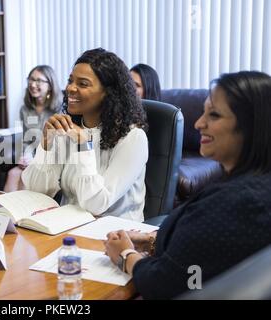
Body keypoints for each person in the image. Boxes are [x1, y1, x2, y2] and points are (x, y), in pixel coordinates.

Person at [104, 71, 271, 299]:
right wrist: (154, 241)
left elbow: (168, 283)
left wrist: (124, 255)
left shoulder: (238, 204)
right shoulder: (251, 188)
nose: (199, 123)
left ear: (251, 126)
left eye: (214, 115)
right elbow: (215, 249)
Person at [22, 48, 148, 221]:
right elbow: (36, 191)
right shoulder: (67, 128)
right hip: (68, 228)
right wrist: (46, 144)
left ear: (108, 93)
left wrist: (83, 145)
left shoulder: (133, 138)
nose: (70, 88)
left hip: (117, 235)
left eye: (82, 84)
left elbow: (97, 204)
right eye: (70, 81)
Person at [3, 65, 62, 192]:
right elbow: (26, 140)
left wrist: (36, 159)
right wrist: (26, 156)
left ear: (50, 85)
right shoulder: (25, 110)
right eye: (31, 79)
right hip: (33, 159)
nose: (33, 84)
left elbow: (60, 145)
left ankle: (25, 211)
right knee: (13, 174)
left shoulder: (60, 110)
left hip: (52, 160)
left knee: (27, 177)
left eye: (39, 80)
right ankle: (5, 211)